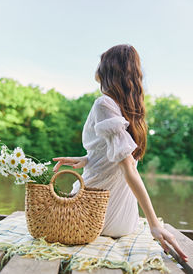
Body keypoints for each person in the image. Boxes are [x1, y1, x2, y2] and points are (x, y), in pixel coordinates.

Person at [53, 44, 188, 262]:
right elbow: (118, 159)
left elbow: (127, 168)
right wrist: (86, 159)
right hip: (125, 222)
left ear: (107, 70)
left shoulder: (104, 103)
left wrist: (154, 224)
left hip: (94, 215)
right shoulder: (131, 111)